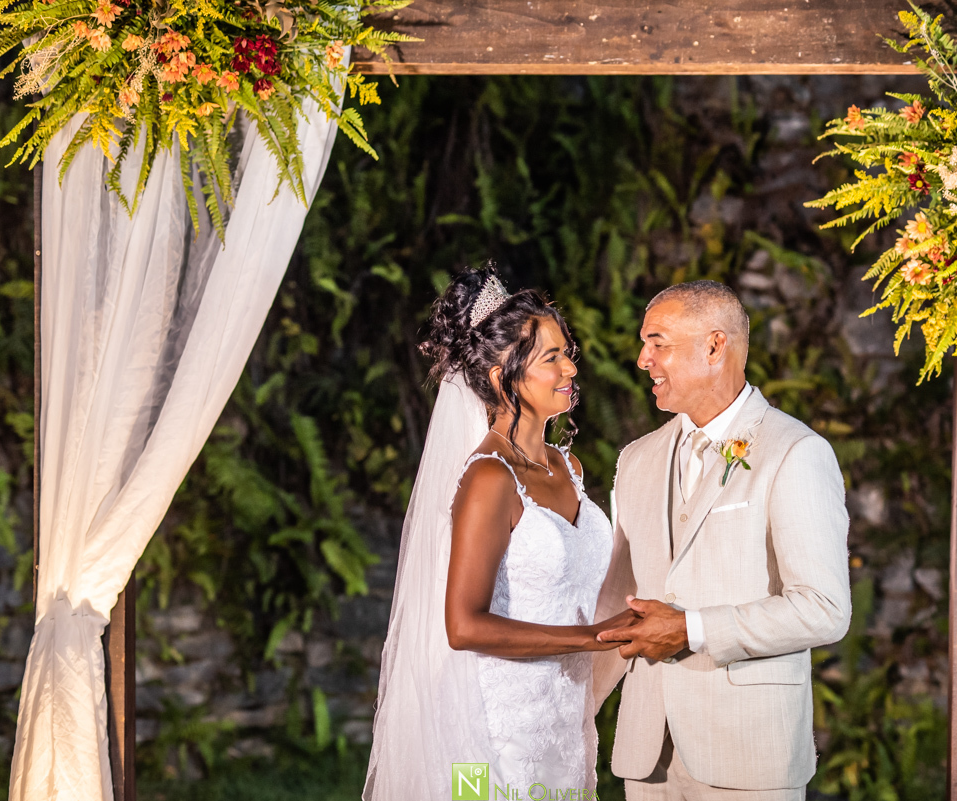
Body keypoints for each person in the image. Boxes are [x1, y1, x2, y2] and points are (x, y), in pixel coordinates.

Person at [363, 266, 637, 800]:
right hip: (498, 725)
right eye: (551, 358)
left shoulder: (570, 467)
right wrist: (593, 637)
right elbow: (464, 625)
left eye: (567, 352)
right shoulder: (490, 478)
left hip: (564, 717)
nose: (570, 367)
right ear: (500, 378)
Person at [592, 280, 852, 801]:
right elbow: (614, 602)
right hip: (647, 755)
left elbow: (824, 609)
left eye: (658, 343)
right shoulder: (636, 459)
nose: (643, 360)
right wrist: (573, 711)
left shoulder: (795, 451)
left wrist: (691, 629)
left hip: (749, 753)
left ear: (714, 347)